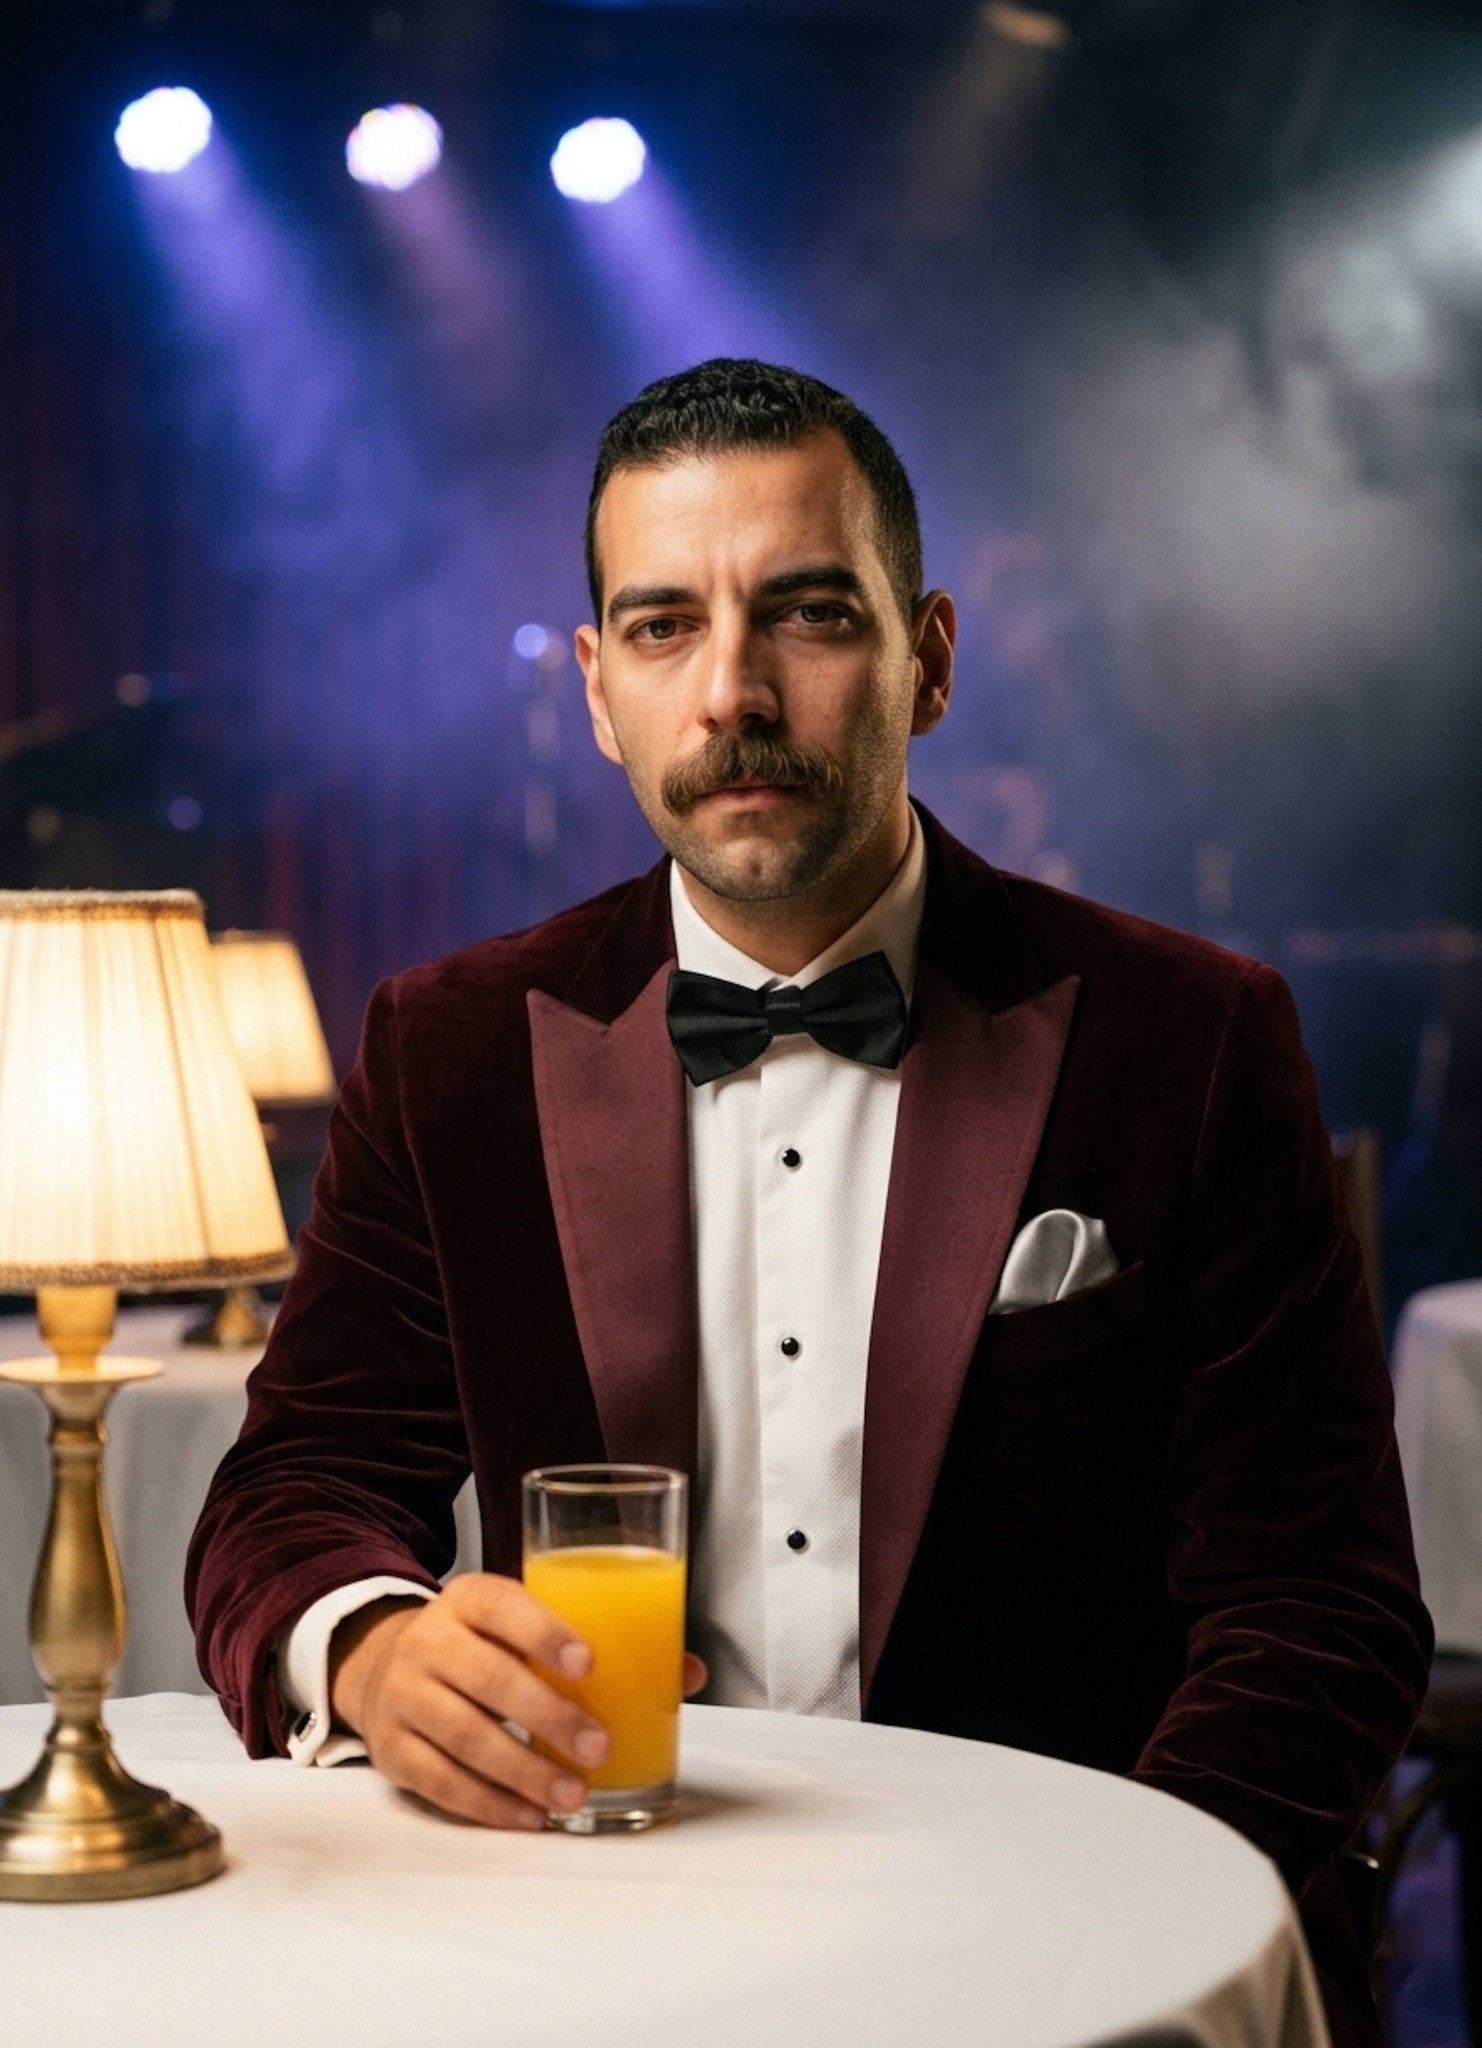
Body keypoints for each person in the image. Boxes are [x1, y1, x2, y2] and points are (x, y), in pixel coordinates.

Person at [188, 358, 1429, 2048]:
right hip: (569, 1943)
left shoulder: (1193, 1040)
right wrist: (370, 1647)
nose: (732, 693)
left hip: (1071, 1955)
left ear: (924, 660)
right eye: (659, 628)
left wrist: (1109, 1919)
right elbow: (299, 1486)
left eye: (807, 614)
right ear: (597, 693)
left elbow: (1317, 1609)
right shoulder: (448, 1047)